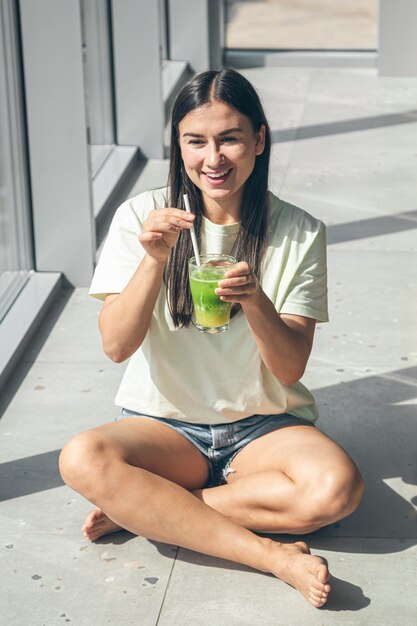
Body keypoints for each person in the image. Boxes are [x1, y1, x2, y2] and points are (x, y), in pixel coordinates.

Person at [59, 68, 363, 608]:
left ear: (259, 140)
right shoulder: (141, 217)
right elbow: (116, 347)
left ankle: (154, 509)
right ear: (178, 146)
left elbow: (290, 369)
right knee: (82, 458)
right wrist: (153, 260)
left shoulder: (299, 231)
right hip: (166, 426)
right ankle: (272, 556)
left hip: (263, 427)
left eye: (230, 138)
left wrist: (255, 299)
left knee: (336, 489)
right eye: (195, 141)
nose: (213, 158)